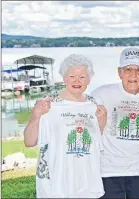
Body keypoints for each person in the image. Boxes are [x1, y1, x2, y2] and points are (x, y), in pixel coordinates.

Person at [24, 54, 107, 198]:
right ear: (64, 77)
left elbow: (95, 142)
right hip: (55, 182)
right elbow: (29, 142)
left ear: (89, 79)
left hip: (85, 181)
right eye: (72, 76)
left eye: (82, 76)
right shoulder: (49, 104)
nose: (77, 81)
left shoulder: (95, 104)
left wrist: (102, 122)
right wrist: (35, 116)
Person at [90, 47, 139, 198]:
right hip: (109, 169)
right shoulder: (101, 94)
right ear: (120, 72)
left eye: (138, 70)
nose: (133, 75)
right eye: (128, 69)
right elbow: (85, 123)